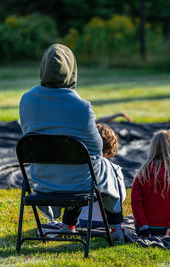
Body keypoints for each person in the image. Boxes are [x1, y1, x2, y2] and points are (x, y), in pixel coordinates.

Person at [19, 44, 125, 244]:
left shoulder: (26, 100)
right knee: (107, 168)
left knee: (79, 167)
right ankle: (116, 226)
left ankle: (69, 225)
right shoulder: (82, 107)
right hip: (79, 182)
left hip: (43, 181)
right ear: (72, 70)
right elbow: (95, 149)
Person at [131, 130, 170, 237]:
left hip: (145, 229)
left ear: (153, 148)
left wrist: (143, 227)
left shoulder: (142, 173)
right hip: (167, 229)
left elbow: (136, 203)